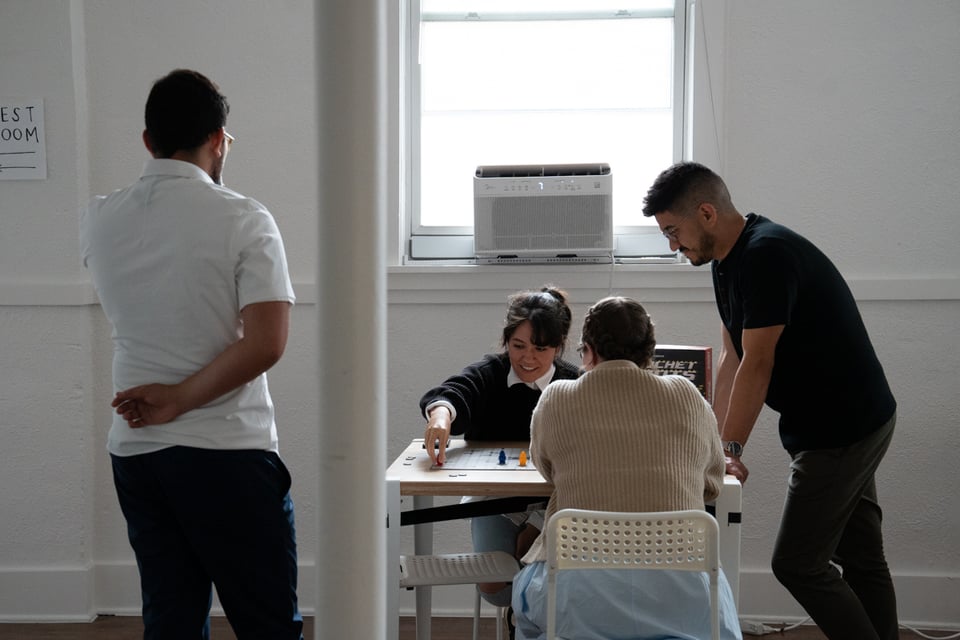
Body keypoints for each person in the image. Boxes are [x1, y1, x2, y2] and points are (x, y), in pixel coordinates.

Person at [79, 69, 303, 639]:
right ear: (219, 138)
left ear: (148, 140)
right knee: (267, 623)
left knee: (171, 619)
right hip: (226, 449)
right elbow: (267, 342)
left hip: (136, 452)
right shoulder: (244, 217)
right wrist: (179, 399)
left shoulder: (99, 217)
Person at [642, 161, 898, 640]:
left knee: (798, 563)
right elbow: (732, 357)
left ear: (706, 212)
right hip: (834, 421)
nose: (673, 246)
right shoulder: (724, 262)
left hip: (844, 427)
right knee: (862, 557)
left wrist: (732, 450)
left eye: (674, 231)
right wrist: (713, 446)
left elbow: (760, 364)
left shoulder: (767, 255)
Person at [511, 296, 742, 640]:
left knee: (525, 602)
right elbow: (710, 483)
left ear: (587, 350)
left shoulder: (557, 396)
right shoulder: (687, 394)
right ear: (650, 352)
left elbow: (548, 470)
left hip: (579, 593)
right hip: (683, 597)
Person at [419, 285, 580, 613]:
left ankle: (531, 624)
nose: (528, 358)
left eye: (540, 348)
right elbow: (453, 393)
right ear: (506, 341)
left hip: (555, 498)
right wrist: (440, 415)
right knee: (494, 585)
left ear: (558, 347)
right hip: (493, 497)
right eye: (518, 346)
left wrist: (538, 520)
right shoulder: (490, 373)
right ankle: (525, 618)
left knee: (548, 571)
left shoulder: (574, 384)